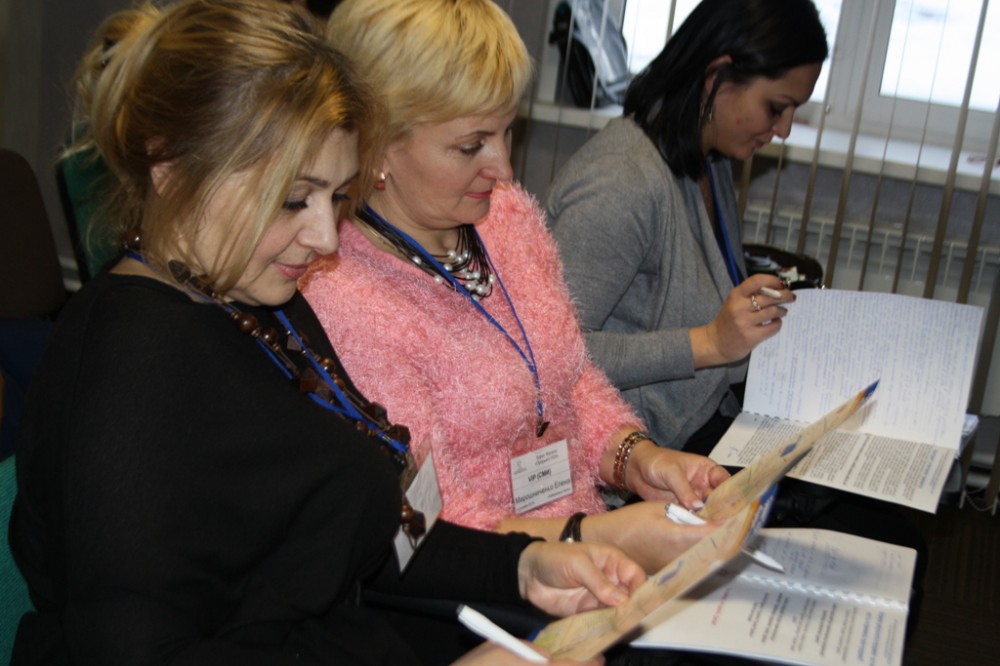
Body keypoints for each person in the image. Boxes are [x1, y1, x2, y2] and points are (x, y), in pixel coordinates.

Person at [7, 2, 647, 664]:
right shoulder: (128, 368)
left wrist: (520, 567)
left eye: (337, 198)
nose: (323, 238)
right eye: (293, 199)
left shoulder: (254, 298)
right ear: (170, 166)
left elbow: (368, 534)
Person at [301, 0, 728, 581]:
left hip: (586, 547)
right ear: (376, 144)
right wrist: (598, 536)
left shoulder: (505, 219)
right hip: (493, 585)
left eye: (507, 132)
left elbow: (568, 378)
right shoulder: (344, 296)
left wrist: (637, 460)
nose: (503, 167)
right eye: (471, 145)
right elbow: (431, 526)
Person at [545, 0, 826, 457]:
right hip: (638, 455)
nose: (785, 129)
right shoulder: (620, 181)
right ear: (717, 77)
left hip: (705, 419)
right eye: (776, 107)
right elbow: (551, 355)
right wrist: (709, 343)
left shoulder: (709, 160)